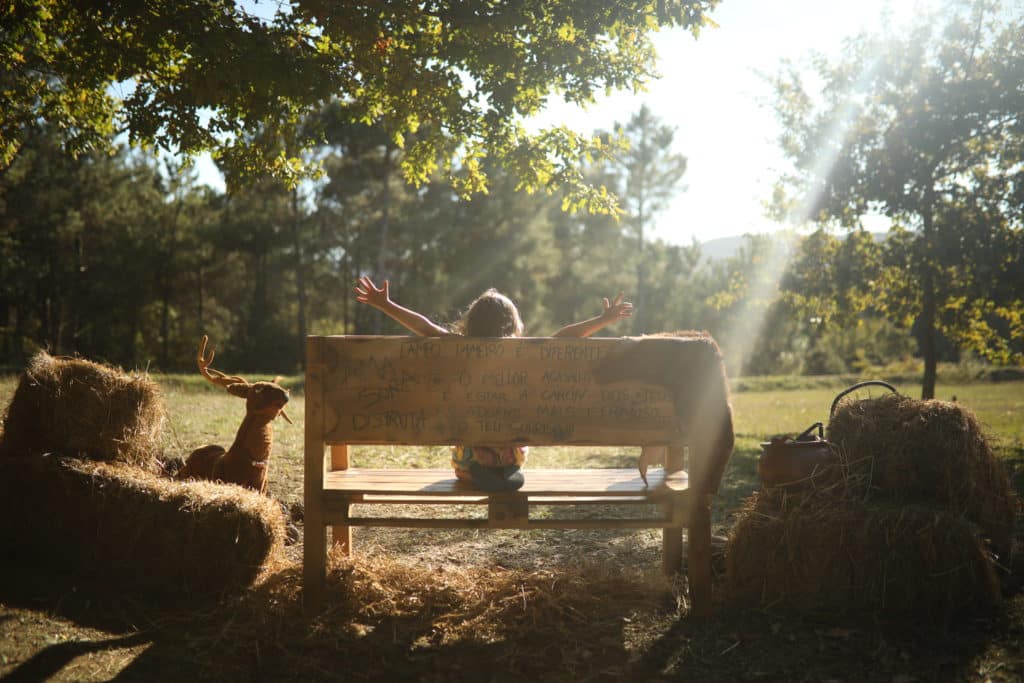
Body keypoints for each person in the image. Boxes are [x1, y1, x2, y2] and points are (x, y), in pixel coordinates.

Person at [354, 275, 633, 492]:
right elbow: (565, 337)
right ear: (514, 324)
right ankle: (505, 466)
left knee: (474, 435)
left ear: (470, 322)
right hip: (511, 451)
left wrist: (385, 305)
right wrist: (603, 319)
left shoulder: (458, 348)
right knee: (510, 433)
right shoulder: (524, 353)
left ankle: (479, 466)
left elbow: (426, 327)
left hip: (468, 461)